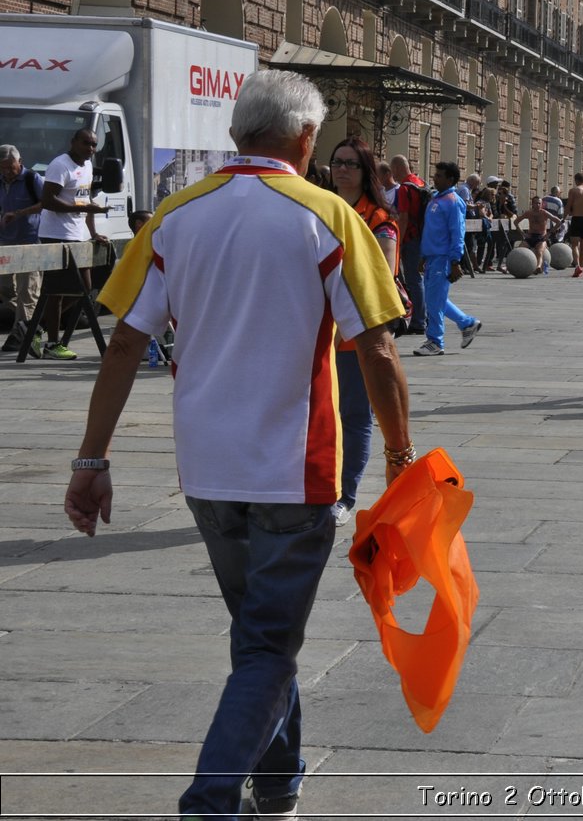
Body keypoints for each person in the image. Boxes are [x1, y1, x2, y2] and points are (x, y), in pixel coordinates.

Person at [63, 69, 412, 820]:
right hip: (297, 468)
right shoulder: (327, 215)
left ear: (236, 132)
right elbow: (377, 350)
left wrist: (91, 459)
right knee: (267, 645)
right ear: (306, 138)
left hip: (209, 472)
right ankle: (211, 801)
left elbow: (124, 343)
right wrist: (400, 455)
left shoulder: (176, 215)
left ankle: (277, 789)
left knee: (258, 635)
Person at [327, 137, 399, 525]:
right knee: (320, 415)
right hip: (318, 334)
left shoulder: (379, 221)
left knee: (354, 416)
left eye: (351, 164)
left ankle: (344, 496)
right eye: (337, 161)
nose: (342, 169)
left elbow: (383, 278)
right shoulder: (318, 208)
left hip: (357, 337)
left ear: (365, 171)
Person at [35, 127, 110, 360]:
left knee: (84, 288)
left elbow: (84, 200)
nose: (90, 149)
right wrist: (84, 208)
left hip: (78, 234)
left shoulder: (87, 166)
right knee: (55, 292)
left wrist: (93, 232)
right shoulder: (60, 165)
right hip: (56, 234)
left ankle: (35, 327)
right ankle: (52, 344)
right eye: (86, 143)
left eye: (94, 145)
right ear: (73, 142)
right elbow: (47, 201)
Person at [412, 161, 483, 357]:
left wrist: (454, 262)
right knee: (434, 299)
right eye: (435, 174)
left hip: (443, 259)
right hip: (432, 257)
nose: (435, 178)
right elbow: (431, 231)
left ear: (450, 179)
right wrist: (423, 256)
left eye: (439, 175)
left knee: (433, 301)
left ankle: (435, 341)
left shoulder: (453, 201)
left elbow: (457, 233)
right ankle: (467, 323)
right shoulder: (436, 198)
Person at [0, 144, 45, 357]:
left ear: (20, 162)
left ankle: (20, 334)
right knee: (7, 288)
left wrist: (19, 213)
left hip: (30, 241)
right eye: (3, 168)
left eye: (11, 167)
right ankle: (27, 325)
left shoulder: (31, 179)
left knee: (29, 290)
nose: (8, 172)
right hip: (5, 241)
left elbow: (47, 203)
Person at [389, 155, 430, 335]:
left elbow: (403, 217)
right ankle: (422, 316)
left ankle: (418, 321)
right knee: (416, 279)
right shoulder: (420, 183)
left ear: (397, 169)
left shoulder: (404, 189)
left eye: (393, 171)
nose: (392, 176)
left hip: (409, 238)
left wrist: (399, 240)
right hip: (422, 236)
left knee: (412, 279)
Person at [513, 199, 561, 272]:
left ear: (541, 204)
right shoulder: (528, 213)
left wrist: (549, 234)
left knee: (539, 251)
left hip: (541, 237)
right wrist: (523, 233)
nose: (538, 205)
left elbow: (558, 222)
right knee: (519, 250)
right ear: (532, 204)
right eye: (536, 203)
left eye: (539, 203)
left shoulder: (544, 213)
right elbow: (516, 222)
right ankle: (513, 266)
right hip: (530, 236)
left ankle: (538, 267)